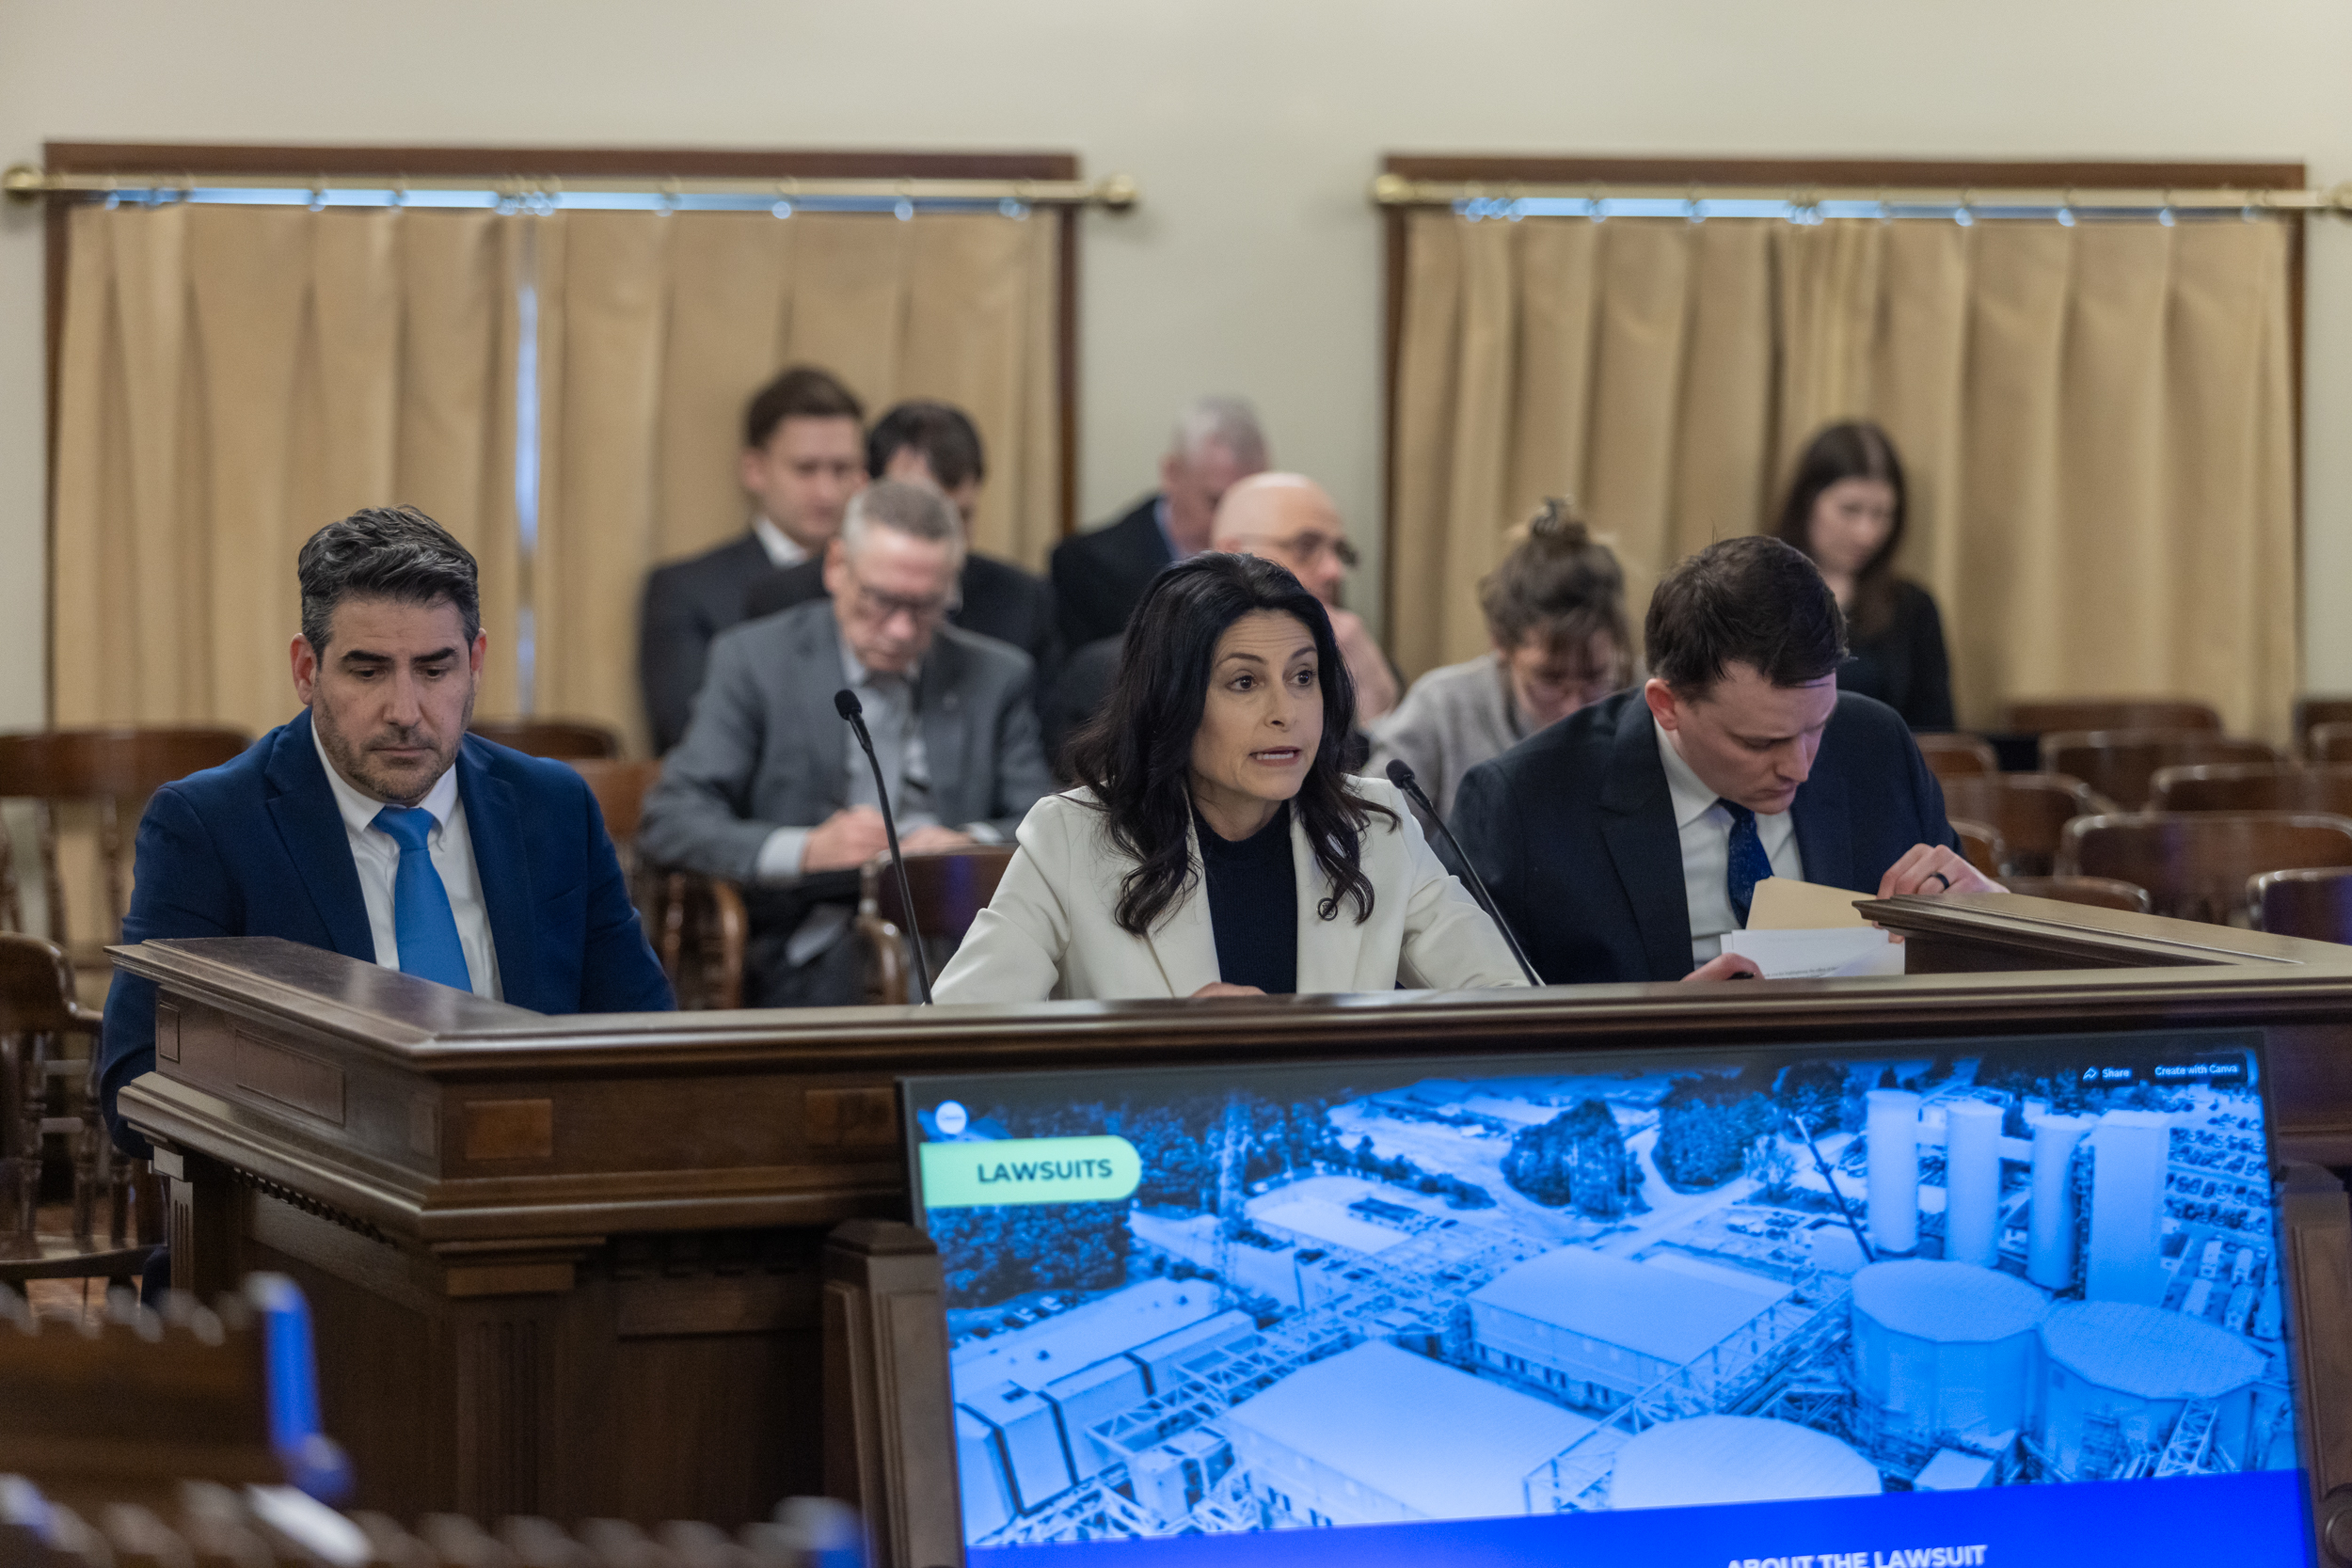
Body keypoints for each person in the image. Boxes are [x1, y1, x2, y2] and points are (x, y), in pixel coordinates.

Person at [101, 506, 675, 1150]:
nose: (405, 711)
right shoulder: (211, 824)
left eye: (435, 670)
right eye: (368, 671)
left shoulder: (551, 805)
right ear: (306, 669)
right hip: (310, 1212)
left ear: (476, 662)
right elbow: (135, 1080)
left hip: (534, 1192)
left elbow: (647, 1040)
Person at [932, 553, 1526, 1004]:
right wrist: (1159, 1048)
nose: (1285, 712)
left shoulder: (1375, 829)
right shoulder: (1072, 837)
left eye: (1303, 677)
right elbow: (966, 1026)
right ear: (1173, 701)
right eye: (1244, 682)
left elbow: (1506, 1005)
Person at [1451, 535, 1995, 988]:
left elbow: (1955, 958)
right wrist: (1646, 1029)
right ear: (1667, 706)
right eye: (1760, 743)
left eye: (1816, 727)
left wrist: (1987, 916)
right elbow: (1465, 1017)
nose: (1800, 768)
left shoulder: (1874, 746)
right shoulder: (1524, 803)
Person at [638, 481, 1057, 1007]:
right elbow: (671, 819)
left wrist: (964, 843)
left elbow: (1044, 823)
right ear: (836, 567)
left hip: (963, 934)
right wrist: (805, 849)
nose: (902, 630)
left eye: (926, 607)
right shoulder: (754, 662)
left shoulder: (994, 676)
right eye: (882, 601)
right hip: (816, 938)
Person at [743, 399, 1060, 705]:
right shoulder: (784, 600)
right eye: (914, 517)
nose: (940, 540)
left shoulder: (1022, 602)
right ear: (864, 492)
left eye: (959, 517)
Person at [638, 365, 866, 752]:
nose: (827, 492)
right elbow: (687, 732)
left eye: (842, 469)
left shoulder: (887, 589)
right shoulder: (687, 589)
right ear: (754, 469)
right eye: (805, 469)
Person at [1370, 498, 1630, 819]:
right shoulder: (1443, 707)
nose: (1574, 708)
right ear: (1500, 643)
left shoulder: (1647, 704)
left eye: (1595, 678)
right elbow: (1372, 834)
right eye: (1550, 679)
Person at [1774, 420, 1954, 731]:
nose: (1866, 534)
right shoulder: (1756, 592)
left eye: (1882, 514)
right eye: (1850, 509)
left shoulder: (1912, 607)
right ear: (1807, 501)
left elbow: (1936, 734)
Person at [1049, 397, 1267, 652]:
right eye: (1217, 502)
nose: (1234, 517)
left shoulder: (1271, 554)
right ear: (1172, 473)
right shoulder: (1088, 567)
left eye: (1246, 502)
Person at [1210, 472, 1399, 722]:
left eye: (1339, 551)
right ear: (1232, 554)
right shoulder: (1178, 668)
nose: (1334, 570)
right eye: (1306, 547)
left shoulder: (1357, 654)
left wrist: (1372, 697)